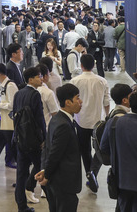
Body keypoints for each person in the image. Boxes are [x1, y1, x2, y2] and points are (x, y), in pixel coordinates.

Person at [35, 84, 83, 212]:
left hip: (56, 182)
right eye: (77, 98)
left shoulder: (56, 119)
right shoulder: (64, 125)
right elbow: (55, 154)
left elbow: (47, 147)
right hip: (64, 183)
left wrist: (45, 170)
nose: (81, 101)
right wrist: (47, 175)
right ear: (68, 102)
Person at [69, 54, 110, 193]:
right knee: (99, 149)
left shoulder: (74, 81)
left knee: (84, 149)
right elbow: (106, 102)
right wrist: (107, 117)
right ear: (93, 65)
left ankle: (89, 173)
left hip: (81, 120)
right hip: (98, 121)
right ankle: (93, 173)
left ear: (81, 65)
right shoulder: (101, 81)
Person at [12, 67, 46, 212]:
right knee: (42, 169)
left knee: (21, 173)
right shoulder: (35, 95)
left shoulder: (18, 94)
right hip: (33, 140)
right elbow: (39, 119)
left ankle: (21, 206)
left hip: (21, 139)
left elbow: (14, 115)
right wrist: (43, 138)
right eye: (38, 77)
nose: (41, 79)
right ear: (31, 79)